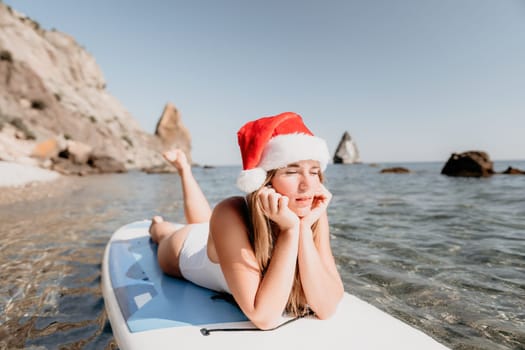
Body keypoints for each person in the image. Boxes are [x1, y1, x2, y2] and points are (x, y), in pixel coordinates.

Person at [149, 112, 344, 330]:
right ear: (264, 183)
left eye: (315, 172)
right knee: (166, 230)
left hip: (221, 239)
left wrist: (304, 228)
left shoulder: (312, 211)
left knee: (204, 222)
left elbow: (327, 308)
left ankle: (184, 169)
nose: (307, 185)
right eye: (291, 172)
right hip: (185, 249)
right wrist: (290, 231)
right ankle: (180, 178)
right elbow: (264, 318)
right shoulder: (229, 212)